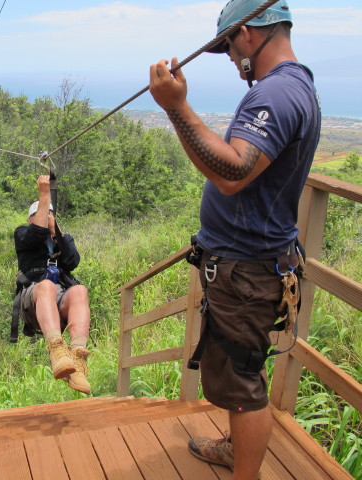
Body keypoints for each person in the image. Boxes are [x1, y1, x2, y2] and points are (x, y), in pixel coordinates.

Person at [148, 0, 321, 478]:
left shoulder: (278, 94)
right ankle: (234, 450)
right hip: (250, 263)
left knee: (243, 386)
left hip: (246, 269)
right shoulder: (292, 86)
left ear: (247, 33)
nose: (228, 56)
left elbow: (233, 172)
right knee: (237, 370)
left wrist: (176, 106)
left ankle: (245, 471)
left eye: (227, 44)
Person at [13, 174, 92, 394]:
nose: (47, 218)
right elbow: (35, 234)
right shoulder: (22, 233)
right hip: (34, 297)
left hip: (58, 300)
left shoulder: (61, 238)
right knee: (46, 286)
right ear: (32, 218)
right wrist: (45, 195)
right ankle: (57, 350)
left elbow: (72, 262)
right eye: (42, 214)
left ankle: (76, 360)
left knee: (79, 291)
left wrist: (57, 233)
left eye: (50, 214)